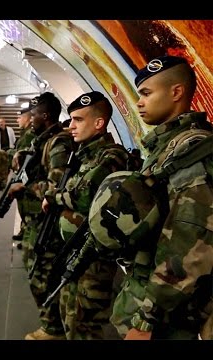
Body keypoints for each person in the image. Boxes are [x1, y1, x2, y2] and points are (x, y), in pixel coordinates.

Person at [106, 55, 213, 340]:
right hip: (150, 293)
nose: (139, 102)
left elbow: (189, 243)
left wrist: (146, 320)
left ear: (176, 92)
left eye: (146, 93)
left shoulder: (190, 152)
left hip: (170, 313)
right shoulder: (167, 148)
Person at [43, 91, 131, 340]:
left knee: (85, 324)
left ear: (99, 123)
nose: (71, 126)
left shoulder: (111, 156)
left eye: (78, 120)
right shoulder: (84, 156)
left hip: (94, 256)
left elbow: (84, 195)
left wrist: (55, 198)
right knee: (70, 317)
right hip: (76, 251)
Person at [7, 92, 76, 340]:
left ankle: (52, 328)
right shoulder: (41, 140)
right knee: (38, 274)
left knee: (42, 276)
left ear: (45, 116)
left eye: (33, 114)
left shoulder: (59, 143)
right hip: (35, 220)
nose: (30, 118)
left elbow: (57, 187)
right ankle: (52, 324)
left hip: (47, 222)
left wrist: (25, 187)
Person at [7, 101, 37, 244]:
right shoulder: (25, 133)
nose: (17, 120)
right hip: (22, 174)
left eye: (20, 117)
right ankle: (24, 230)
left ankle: (26, 232)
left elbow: (26, 155)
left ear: (27, 117)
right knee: (22, 204)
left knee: (27, 206)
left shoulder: (30, 135)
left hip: (27, 176)